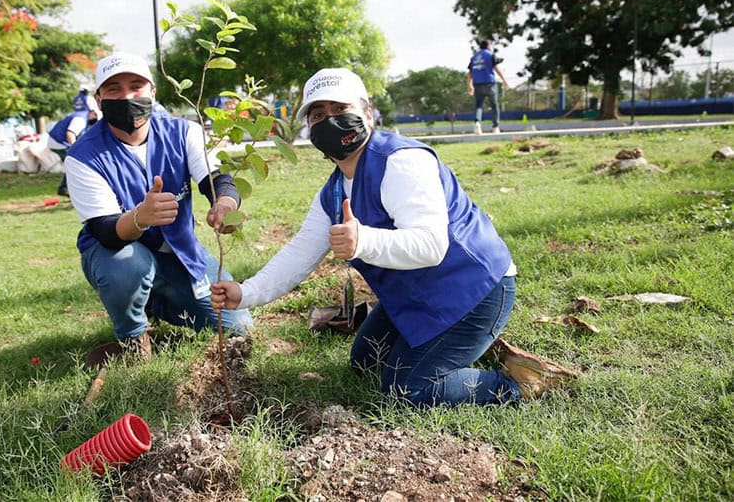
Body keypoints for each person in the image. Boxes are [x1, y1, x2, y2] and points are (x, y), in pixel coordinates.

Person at [211, 67, 577, 406]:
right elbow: (299, 254)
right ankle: (468, 348)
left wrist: (364, 241)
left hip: (474, 291)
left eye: (340, 108)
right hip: (416, 292)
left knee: (406, 389)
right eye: (318, 114)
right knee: (365, 363)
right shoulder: (334, 192)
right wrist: (246, 292)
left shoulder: (401, 162)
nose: (329, 120)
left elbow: (432, 246)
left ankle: (520, 384)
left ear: (368, 114)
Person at [65, 52, 253, 359]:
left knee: (239, 327)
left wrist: (225, 205)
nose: (127, 96)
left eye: (136, 86)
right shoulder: (83, 156)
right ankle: (133, 337)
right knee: (129, 267)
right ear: (99, 99)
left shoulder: (184, 132)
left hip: (178, 254)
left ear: (153, 92)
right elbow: (106, 231)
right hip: (117, 254)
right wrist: (141, 217)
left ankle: (156, 301)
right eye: (113, 89)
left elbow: (218, 180)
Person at [47, 93, 101, 196]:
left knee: (72, 164)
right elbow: (70, 133)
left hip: (56, 142)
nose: (95, 120)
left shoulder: (80, 114)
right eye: (95, 117)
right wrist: (75, 149)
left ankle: (64, 188)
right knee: (76, 163)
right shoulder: (81, 119)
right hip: (59, 143)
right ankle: (69, 188)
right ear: (93, 112)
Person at [467, 40, 510, 134]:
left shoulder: (474, 57)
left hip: (477, 84)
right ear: (488, 46)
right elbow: (496, 68)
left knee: (479, 106)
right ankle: (495, 127)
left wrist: (469, 85)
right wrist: (504, 80)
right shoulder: (490, 55)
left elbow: (470, 73)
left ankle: (477, 122)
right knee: (494, 105)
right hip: (490, 83)